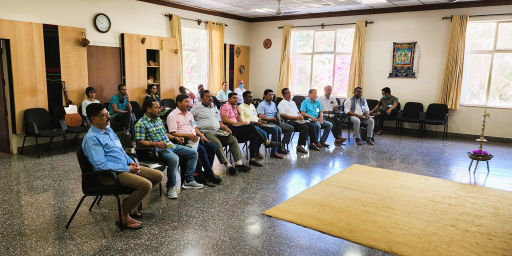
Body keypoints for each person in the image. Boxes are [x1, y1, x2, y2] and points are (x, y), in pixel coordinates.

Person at [82, 103, 163, 230]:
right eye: (104, 115)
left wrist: (130, 161)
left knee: (158, 176)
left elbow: (120, 150)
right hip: (108, 174)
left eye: (108, 114)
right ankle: (123, 215)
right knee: (145, 185)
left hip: (124, 167)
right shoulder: (91, 138)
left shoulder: (108, 129)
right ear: (94, 119)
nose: (108, 117)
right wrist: (128, 169)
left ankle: (129, 205)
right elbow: (100, 165)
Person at [134, 99, 203, 199]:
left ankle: (188, 180)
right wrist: (156, 144)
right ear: (148, 109)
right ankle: (170, 186)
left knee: (193, 153)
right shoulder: (141, 123)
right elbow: (140, 142)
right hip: (157, 149)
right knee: (174, 159)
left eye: (160, 107)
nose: (160, 110)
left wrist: (175, 138)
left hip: (169, 145)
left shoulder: (158, 120)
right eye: (157, 108)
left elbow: (164, 133)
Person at [190, 90, 251, 175]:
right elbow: (189, 120)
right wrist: (197, 131)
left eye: (211, 96)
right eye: (207, 96)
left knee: (232, 139)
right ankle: (228, 166)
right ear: (202, 98)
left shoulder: (214, 107)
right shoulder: (196, 108)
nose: (210, 98)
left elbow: (219, 122)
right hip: (206, 132)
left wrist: (225, 128)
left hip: (218, 131)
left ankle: (238, 163)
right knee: (217, 143)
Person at [167, 94, 222, 186]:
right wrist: (187, 135)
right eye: (186, 101)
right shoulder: (172, 116)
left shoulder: (189, 114)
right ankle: (209, 173)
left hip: (194, 138)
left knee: (213, 146)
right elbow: (172, 133)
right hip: (183, 140)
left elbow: (195, 127)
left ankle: (207, 170)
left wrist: (201, 135)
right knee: (201, 149)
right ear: (179, 103)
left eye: (189, 101)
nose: (188, 104)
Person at [220, 93, 280, 166]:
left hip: (237, 128)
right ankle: (265, 141)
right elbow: (225, 120)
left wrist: (238, 112)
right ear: (229, 99)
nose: (236, 100)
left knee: (253, 136)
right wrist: (236, 124)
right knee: (251, 126)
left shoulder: (235, 107)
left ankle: (252, 159)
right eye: (234, 98)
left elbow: (238, 120)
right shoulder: (225, 106)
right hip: (229, 129)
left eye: (236, 98)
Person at [239, 91, 284, 159]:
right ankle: (257, 151)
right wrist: (255, 123)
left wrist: (260, 120)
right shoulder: (241, 107)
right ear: (244, 98)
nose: (251, 98)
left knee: (275, 129)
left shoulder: (252, 105)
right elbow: (242, 120)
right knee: (264, 134)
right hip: (249, 126)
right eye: (249, 97)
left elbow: (255, 116)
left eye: (252, 97)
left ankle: (274, 152)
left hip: (258, 124)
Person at [277, 88, 317, 153]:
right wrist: (295, 118)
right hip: (289, 121)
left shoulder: (293, 102)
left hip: (297, 120)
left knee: (312, 125)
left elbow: (298, 112)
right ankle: (299, 146)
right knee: (304, 127)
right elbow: (283, 115)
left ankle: (312, 144)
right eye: (287, 93)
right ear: (283, 95)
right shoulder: (281, 103)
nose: (289, 94)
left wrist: (300, 116)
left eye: (290, 93)